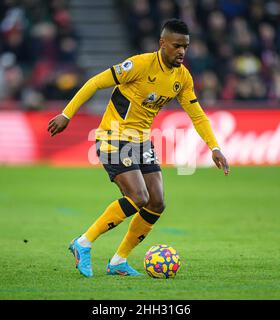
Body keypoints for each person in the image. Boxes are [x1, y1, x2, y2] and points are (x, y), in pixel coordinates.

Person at [47, 19, 229, 277]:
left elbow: (197, 115)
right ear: (162, 44)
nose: (181, 52)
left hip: (142, 140)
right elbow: (95, 83)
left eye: (185, 47)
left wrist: (214, 147)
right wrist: (67, 114)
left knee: (156, 202)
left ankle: (118, 261)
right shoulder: (140, 65)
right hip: (114, 136)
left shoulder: (182, 77)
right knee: (138, 197)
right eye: (176, 45)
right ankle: (83, 243)